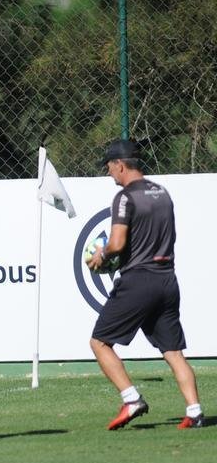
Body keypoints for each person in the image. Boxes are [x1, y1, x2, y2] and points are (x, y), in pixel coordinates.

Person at [87, 138, 204, 430]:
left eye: (109, 166)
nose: (108, 172)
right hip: (167, 280)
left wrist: (103, 255)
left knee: (99, 342)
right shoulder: (162, 193)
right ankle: (195, 411)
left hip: (139, 280)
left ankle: (131, 399)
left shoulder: (125, 197)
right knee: (173, 352)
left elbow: (117, 243)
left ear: (120, 165)